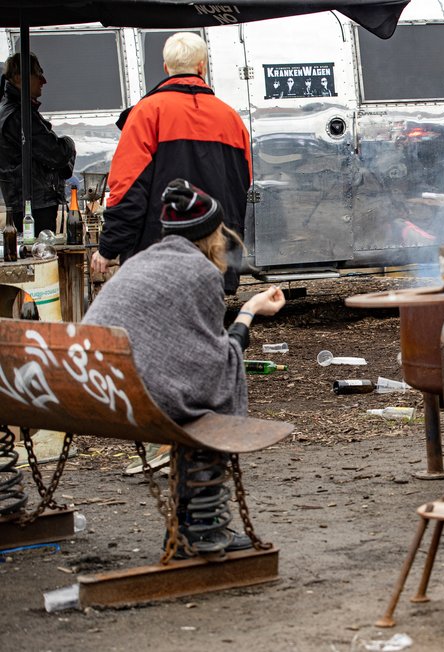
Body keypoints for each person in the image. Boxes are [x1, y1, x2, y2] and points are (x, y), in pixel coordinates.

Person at [84, 179, 285, 555]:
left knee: (197, 389)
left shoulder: (143, 259)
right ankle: (201, 528)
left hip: (84, 388)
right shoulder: (200, 273)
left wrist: (247, 312)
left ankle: (195, 524)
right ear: (212, 235)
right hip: (131, 399)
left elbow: (189, 352)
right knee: (207, 405)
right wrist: (249, 312)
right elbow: (213, 366)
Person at [91, 32, 251, 294]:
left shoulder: (146, 113)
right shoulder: (231, 119)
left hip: (157, 260)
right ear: (202, 67)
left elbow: (127, 189)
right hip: (214, 260)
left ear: (166, 68)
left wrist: (109, 247)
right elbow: (240, 192)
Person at [0, 52, 75, 235]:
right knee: (41, 255)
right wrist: (69, 143)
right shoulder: (19, 115)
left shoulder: (13, 110)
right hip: (34, 204)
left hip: (26, 201)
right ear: (19, 77)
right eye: (38, 74)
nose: (44, 80)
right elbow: (55, 153)